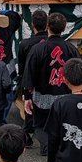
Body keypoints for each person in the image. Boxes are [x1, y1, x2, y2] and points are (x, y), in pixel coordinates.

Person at [22, 12, 80, 154]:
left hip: (42, 95)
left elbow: (29, 73)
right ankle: (60, 146)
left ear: (47, 26)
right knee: (63, 122)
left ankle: (47, 147)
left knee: (41, 124)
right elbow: (79, 72)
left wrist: (27, 96)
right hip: (65, 94)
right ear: (64, 28)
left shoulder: (37, 49)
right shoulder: (71, 49)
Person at [17, 9, 49, 146]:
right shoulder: (52, 42)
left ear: (32, 25)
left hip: (31, 81)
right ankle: (39, 140)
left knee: (30, 110)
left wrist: (23, 85)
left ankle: (28, 137)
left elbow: (22, 67)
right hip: (50, 80)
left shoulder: (25, 44)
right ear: (47, 25)